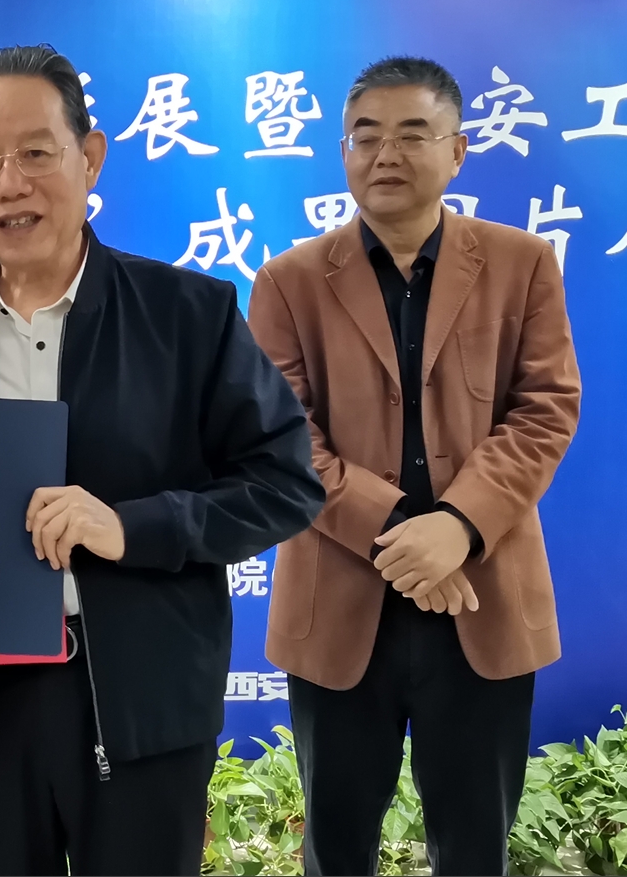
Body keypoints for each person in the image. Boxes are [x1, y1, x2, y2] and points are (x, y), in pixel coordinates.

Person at [0, 45, 325, 876]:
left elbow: (285, 484)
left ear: (91, 157)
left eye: (36, 152)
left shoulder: (188, 315)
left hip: (143, 708)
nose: (11, 183)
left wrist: (132, 527)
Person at [248, 56, 582, 876]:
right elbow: (281, 437)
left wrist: (458, 527)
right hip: (339, 603)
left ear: (458, 151)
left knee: (474, 845)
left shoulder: (522, 263)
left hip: (481, 596)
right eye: (365, 137)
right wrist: (404, 534)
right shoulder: (288, 282)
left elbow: (546, 408)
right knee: (336, 847)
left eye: (411, 134)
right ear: (343, 152)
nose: (385, 154)